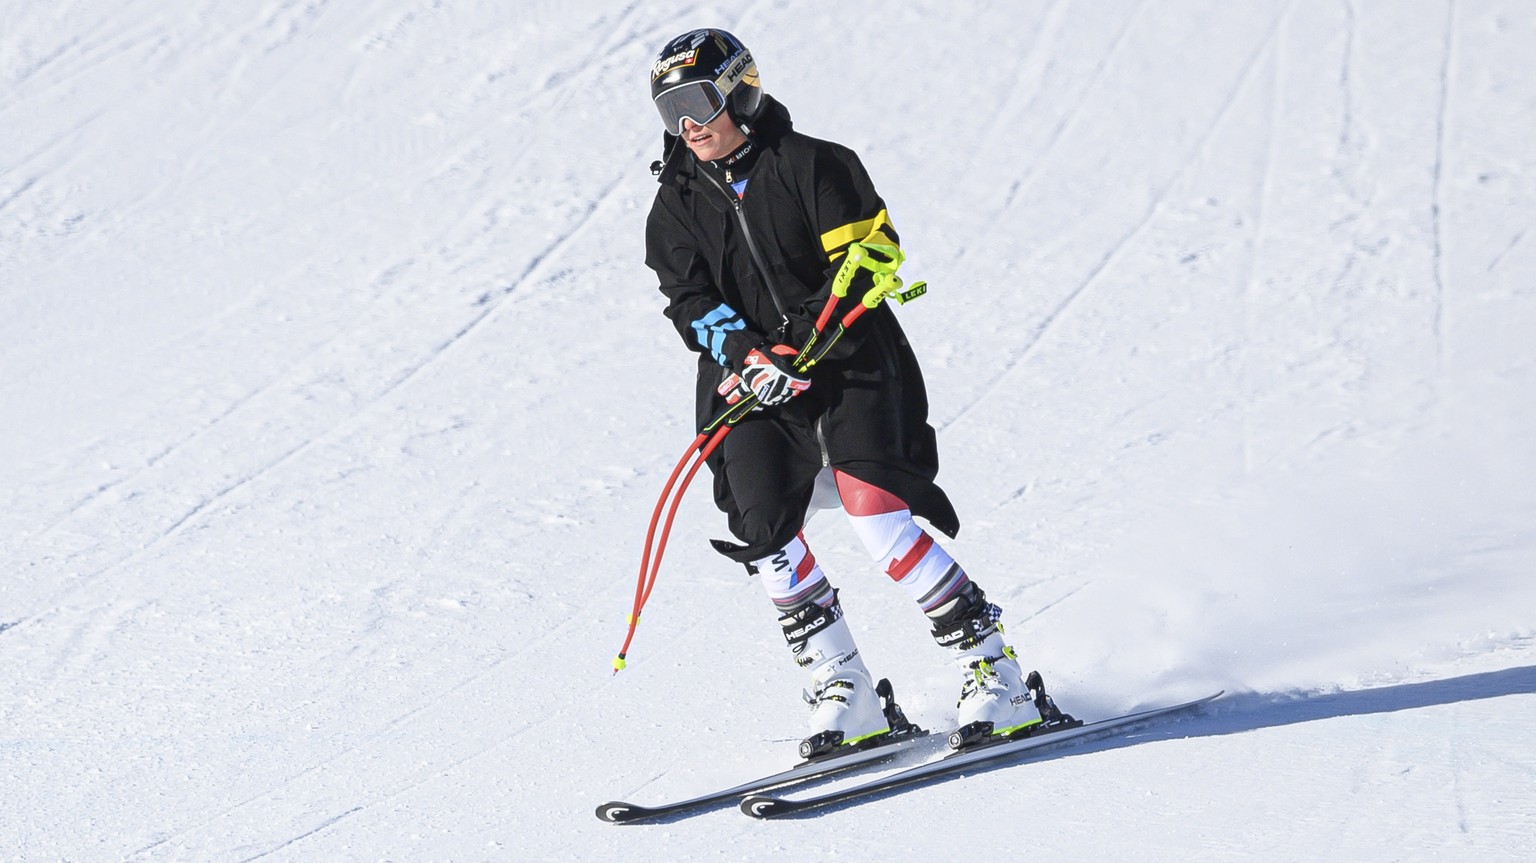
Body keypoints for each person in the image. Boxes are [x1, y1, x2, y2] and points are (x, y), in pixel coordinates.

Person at [644, 28, 1040, 755]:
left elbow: (870, 257)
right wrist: (744, 351)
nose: (688, 124)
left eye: (698, 99)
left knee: (874, 514)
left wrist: (798, 342)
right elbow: (687, 297)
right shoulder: (673, 204)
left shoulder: (816, 165)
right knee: (766, 532)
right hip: (748, 384)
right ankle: (847, 689)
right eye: (670, 109)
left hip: (850, 363)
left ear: (741, 89)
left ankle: (997, 671)